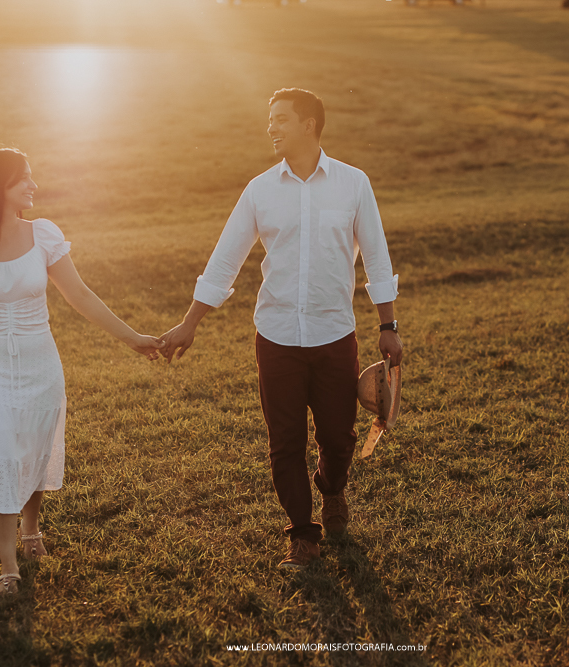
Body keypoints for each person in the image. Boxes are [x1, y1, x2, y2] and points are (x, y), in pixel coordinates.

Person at [158, 88, 403, 569]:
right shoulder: (260, 190)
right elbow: (225, 259)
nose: (271, 127)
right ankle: (302, 535)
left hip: (334, 335)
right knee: (285, 442)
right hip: (276, 339)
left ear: (309, 125)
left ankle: (332, 488)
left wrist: (388, 325)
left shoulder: (353, 184)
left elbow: (377, 257)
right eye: (270, 119)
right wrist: (190, 321)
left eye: (281, 119)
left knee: (339, 438)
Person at [0, 148, 162, 597]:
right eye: (24, 178)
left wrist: (132, 338)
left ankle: (30, 530)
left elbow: (79, 295)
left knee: (32, 449)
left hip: (38, 361)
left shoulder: (43, 234)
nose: (34, 185)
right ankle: (9, 568)